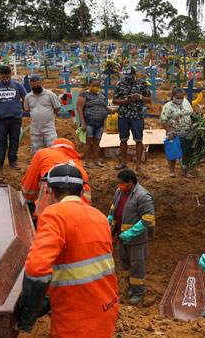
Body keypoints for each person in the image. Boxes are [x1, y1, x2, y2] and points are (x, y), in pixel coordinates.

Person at [16, 164, 118, 337]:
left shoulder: (54, 215)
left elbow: (36, 268)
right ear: (80, 192)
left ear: (50, 190)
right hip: (106, 307)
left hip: (76, 318)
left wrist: (29, 310)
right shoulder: (99, 216)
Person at [108, 169, 155, 305]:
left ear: (130, 182)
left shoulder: (143, 196)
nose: (119, 185)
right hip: (121, 237)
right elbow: (113, 208)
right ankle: (131, 286)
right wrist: (110, 219)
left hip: (136, 239)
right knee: (125, 263)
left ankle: (139, 291)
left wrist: (132, 232)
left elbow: (147, 218)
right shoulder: (120, 192)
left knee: (137, 264)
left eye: (121, 183)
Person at [21, 138, 92, 224]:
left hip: (49, 214)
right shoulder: (78, 166)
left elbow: (28, 190)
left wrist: (29, 202)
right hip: (82, 216)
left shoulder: (43, 154)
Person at [0, 66, 27, 170]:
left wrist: (24, 108)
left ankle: (13, 161)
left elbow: (25, 98)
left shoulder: (17, 85)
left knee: (14, 140)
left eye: (7, 77)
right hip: (1, 119)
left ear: (11, 75)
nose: (5, 79)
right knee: (1, 141)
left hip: (16, 118)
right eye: (3, 77)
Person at [112, 66, 152, 171]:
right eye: (126, 76)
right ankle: (123, 162)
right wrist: (123, 102)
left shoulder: (142, 84)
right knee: (123, 139)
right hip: (123, 115)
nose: (127, 78)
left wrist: (140, 97)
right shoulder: (120, 84)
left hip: (137, 116)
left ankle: (138, 165)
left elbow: (149, 100)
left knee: (138, 140)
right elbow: (114, 100)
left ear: (134, 74)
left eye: (129, 76)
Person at [77, 77, 113, 168]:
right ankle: (87, 162)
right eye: (94, 85)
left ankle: (96, 161)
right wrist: (83, 123)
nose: (96, 87)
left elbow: (104, 106)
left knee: (97, 142)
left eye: (98, 85)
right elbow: (79, 108)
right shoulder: (84, 94)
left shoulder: (101, 95)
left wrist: (114, 110)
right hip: (89, 122)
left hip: (100, 123)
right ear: (89, 85)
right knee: (88, 142)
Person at [160, 87, 194, 178]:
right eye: (177, 98)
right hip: (174, 133)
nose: (180, 100)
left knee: (185, 152)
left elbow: (191, 115)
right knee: (173, 153)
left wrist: (193, 126)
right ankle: (172, 171)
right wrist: (169, 132)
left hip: (187, 132)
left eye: (181, 98)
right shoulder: (167, 106)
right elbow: (163, 120)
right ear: (173, 96)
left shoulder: (186, 103)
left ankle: (184, 171)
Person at [23, 74, 61, 153]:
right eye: (33, 86)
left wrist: (50, 115)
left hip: (49, 126)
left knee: (52, 146)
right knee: (37, 149)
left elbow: (57, 107)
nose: (36, 87)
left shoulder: (50, 95)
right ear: (30, 86)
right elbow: (27, 109)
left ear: (42, 84)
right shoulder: (28, 97)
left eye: (38, 85)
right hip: (35, 127)